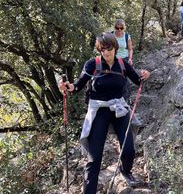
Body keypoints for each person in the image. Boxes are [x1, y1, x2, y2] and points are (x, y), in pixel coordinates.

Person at [58, 33, 150, 194]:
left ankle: (125, 170)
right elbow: (78, 85)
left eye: (109, 48)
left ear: (115, 48)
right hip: (99, 110)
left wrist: (145, 75)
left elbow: (138, 80)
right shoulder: (92, 64)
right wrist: (69, 87)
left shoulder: (123, 64)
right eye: (102, 49)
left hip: (119, 108)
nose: (105, 52)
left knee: (128, 150)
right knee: (94, 159)